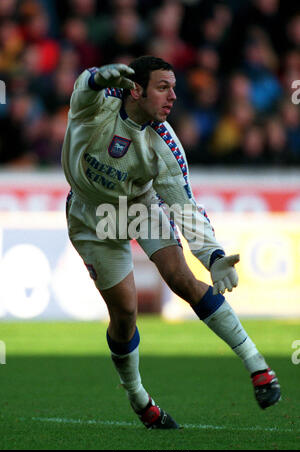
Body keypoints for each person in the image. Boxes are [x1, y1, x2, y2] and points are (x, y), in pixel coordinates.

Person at [61, 56, 281, 429]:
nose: (173, 96)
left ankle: (258, 366)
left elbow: (184, 207)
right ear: (136, 90)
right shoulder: (99, 106)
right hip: (91, 215)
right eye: (163, 87)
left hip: (138, 207)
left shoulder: (165, 145)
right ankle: (139, 398)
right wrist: (96, 78)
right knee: (126, 313)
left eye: (174, 88)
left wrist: (213, 257)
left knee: (180, 278)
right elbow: (83, 91)